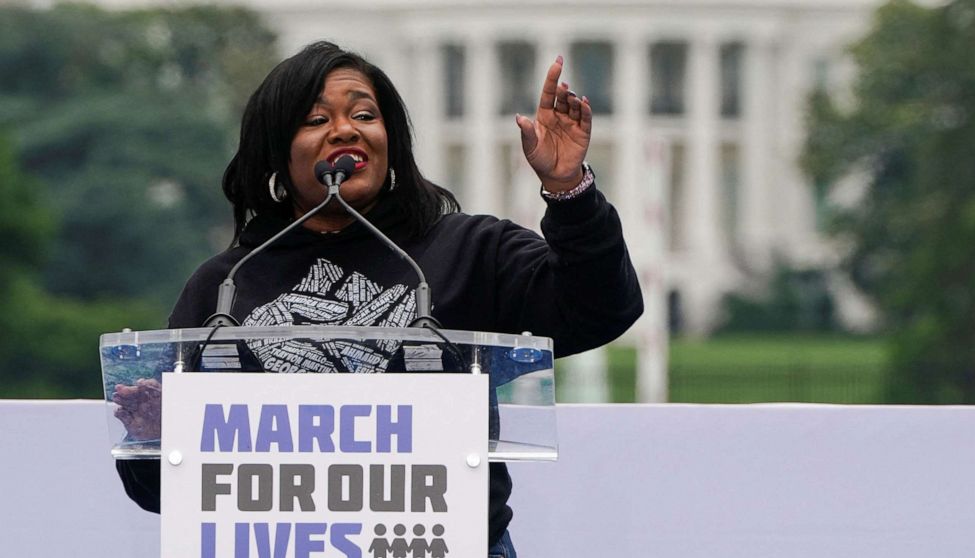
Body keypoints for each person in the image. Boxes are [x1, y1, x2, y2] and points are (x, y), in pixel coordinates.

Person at [115, 41, 642, 557]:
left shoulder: (471, 249)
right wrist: (152, 438)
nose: (345, 129)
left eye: (364, 114)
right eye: (316, 120)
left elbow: (602, 308)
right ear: (275, 150)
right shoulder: (226, 286)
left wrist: (569, 188)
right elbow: (164, 493)